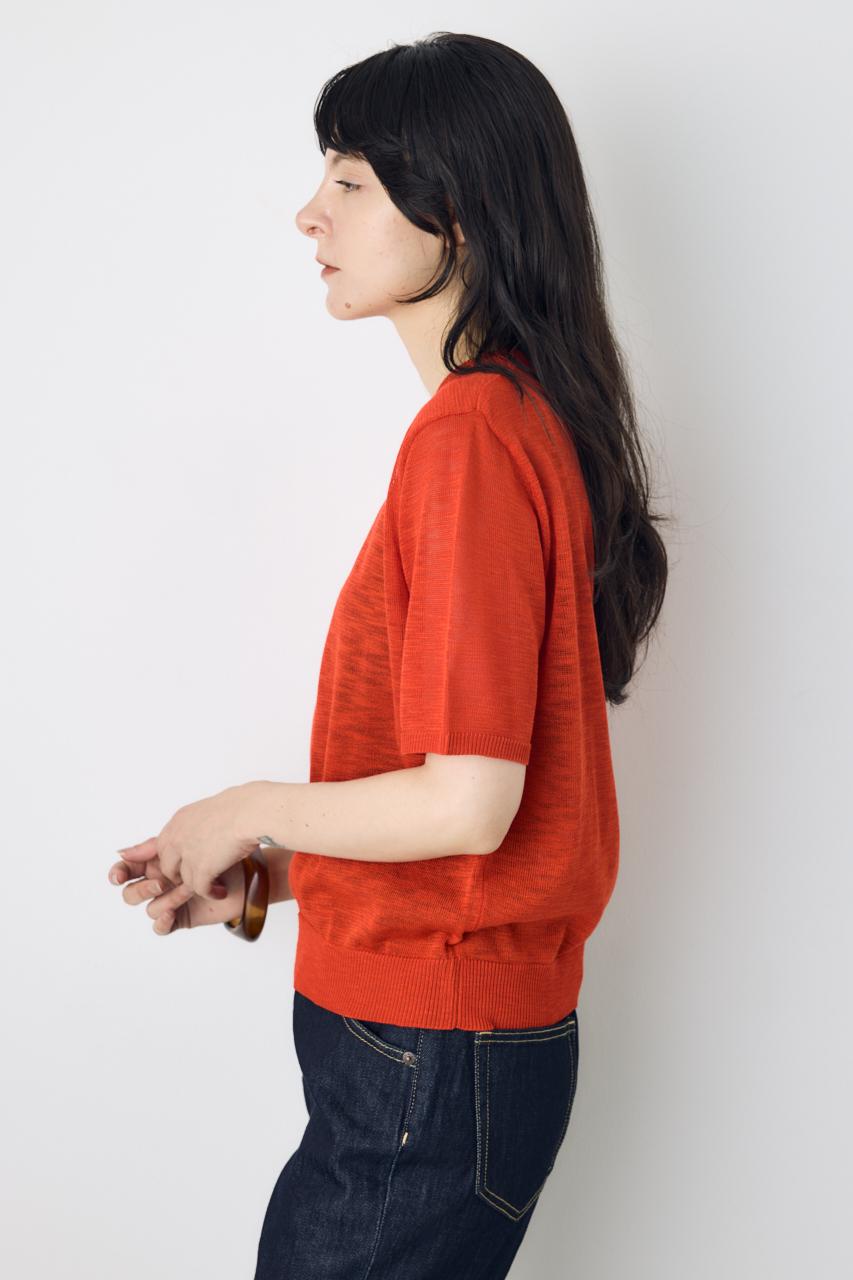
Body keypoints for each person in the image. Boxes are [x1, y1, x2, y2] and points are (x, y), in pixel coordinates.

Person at [108, 30, 669, 1279]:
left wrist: (243, 805)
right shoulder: (514, 421)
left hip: (426, 1051)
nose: (311, 213)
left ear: (457, 214)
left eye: (352, 181)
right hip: (445, 1044)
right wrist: (279, 873)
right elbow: (471, 819)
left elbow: (471, 801)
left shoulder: (472, 439)